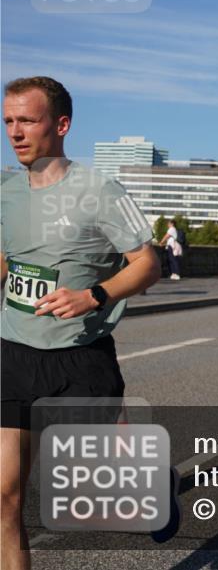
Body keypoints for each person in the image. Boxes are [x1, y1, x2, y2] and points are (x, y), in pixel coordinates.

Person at [1, 76, 160, 570]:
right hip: (13, 352)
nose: (15, 132)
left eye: (27, 120)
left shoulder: (99, 189)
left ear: (61, 124)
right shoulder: (6, 190)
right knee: (4, 499)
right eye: (8, 121)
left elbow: (148, 263)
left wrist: (94, 295)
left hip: (80, 356)